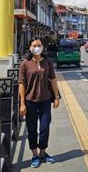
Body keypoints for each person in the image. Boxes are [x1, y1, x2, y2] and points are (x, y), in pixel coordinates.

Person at [18, 36, 61, 168]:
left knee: (44, 127)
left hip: (45, 99)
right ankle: (34, 155)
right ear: (30, 48)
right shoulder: (25, 63)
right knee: (31, 129)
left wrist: (57, 97)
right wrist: (22, 103)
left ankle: (43, 152)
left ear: (42, 47)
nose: (37, 47)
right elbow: (21, 83)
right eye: (35, 45)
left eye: (39, 45)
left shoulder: (47, 61)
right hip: (30, 100)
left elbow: (53, 79)